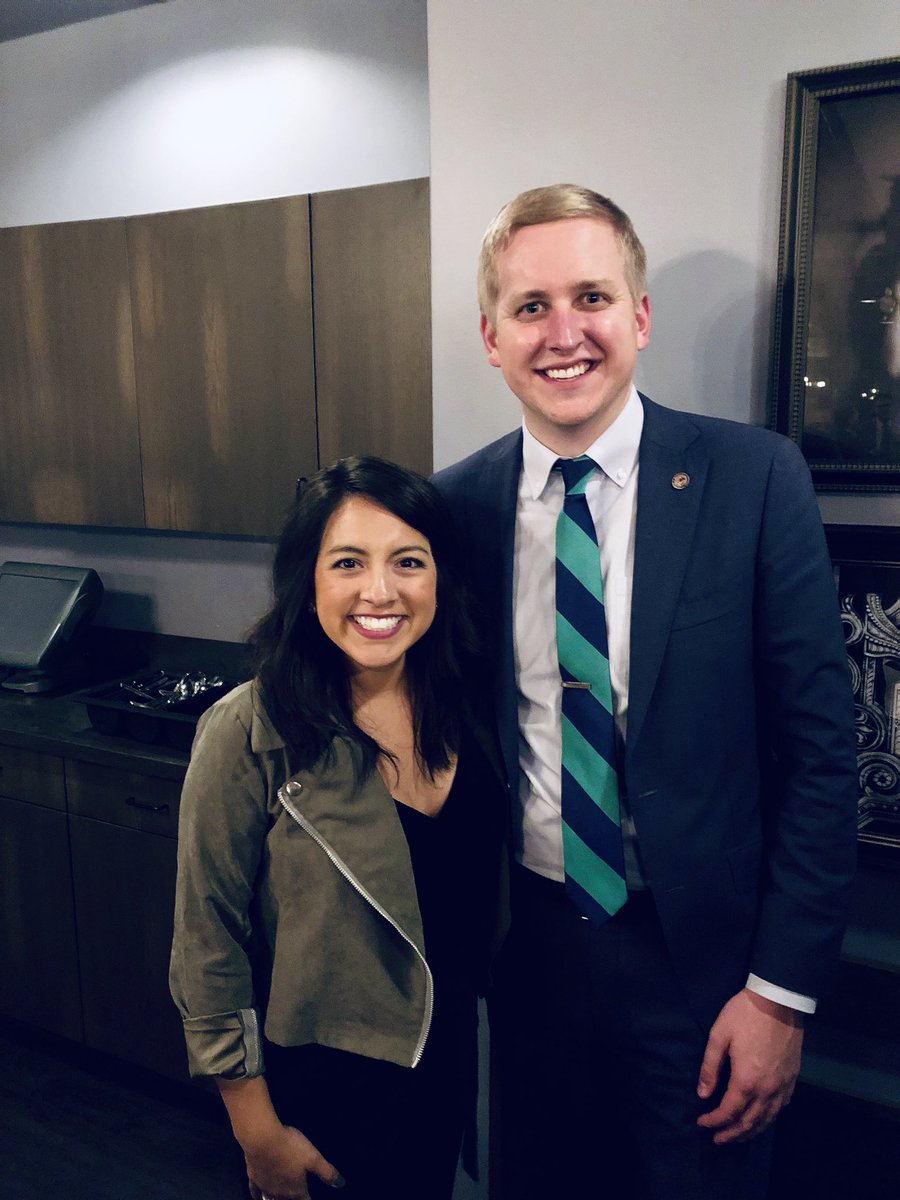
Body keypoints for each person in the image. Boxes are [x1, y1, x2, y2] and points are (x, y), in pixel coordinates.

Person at [432, 184, 858, 1200]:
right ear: (492, 337)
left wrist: (780, 997)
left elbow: (821, 756)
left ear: (641, 317)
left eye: (592, 297)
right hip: (525, 955)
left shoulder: (754, 480)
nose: (564, 332)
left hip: (705, 973)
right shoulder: (452, 509)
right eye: (531, 307)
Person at [170, 456, 507, 1200]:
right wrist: (258, 1133)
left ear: (440, 578)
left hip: (448, 1069)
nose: (379, 591)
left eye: (408, 562)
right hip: (318, 1097)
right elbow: (206, 946)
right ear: (309, 580)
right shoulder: (247, 731)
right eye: (348, 562)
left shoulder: (471, 713)